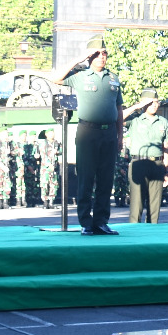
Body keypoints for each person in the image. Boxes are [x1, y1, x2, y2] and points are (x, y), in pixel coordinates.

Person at [54, 36, 124, 235]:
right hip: (87, 132)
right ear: (89, 56)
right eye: (97, 53)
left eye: (104, 53)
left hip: (109, 133)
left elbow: (119, 108)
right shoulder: (80, 75)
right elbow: (56, 78)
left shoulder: (113, 78)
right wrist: (78, 59)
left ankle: (101, 222)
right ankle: (86, 222)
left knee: (106, 179)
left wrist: (120, 136)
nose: (102, 57)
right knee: (86, 178)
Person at [124, 89, 168, 223]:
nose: (154, 105)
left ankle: (152, 231)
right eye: (151, 102)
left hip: (157, 164)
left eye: (156, 102)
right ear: (143, 103)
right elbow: (117, 118)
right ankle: (134, 231)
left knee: (154, 206)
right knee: (136, 204)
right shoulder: (135, 119)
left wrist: (166, 171)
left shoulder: (162, 121)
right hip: (139, 163)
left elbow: (165, 147)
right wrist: (136, 107)